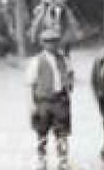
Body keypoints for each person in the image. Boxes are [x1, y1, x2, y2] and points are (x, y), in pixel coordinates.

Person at [26, 27, 73, 170]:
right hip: (43, 101)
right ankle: (41, 159)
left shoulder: (64, 59)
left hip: (60, 100)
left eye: (54, 42)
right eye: (48, 42)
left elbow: (69, 74)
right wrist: (31, 104)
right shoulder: (36, 61)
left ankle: (63, 160)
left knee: (62, 132)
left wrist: (68, 87)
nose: (52, 45)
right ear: (43, 44)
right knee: (42, 131)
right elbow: (30, 84)